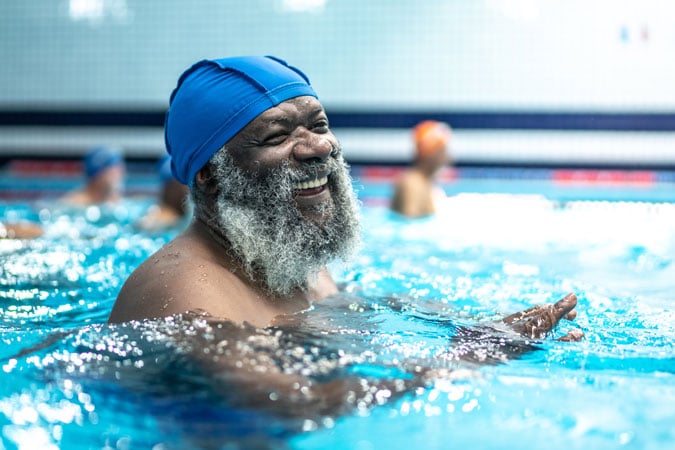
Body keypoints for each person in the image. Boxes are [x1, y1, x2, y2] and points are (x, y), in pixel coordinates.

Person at [107, 56, 582, 418]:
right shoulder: (188, 291)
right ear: (210, 176)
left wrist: (478, 326)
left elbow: (352, 308)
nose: (320, 146)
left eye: (318, 125)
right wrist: (470, 357)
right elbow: (295, 404)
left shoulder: (281, 257)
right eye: (277, 136)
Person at [390, 120, 452, 218]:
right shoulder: (412, 185)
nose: (447, 158)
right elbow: (409, 226)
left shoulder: (427, 184)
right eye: (443, 151)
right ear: (431, 154)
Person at [135, 154, 190, 232]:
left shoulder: (154, 212)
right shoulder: (159, 220)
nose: (188, 190)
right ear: (172, 186)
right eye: (185, 183)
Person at [60, 145, 125, 206]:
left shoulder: (118, 203)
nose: (119, 175)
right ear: (97, 175)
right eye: (113, 172)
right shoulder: (73, 204)